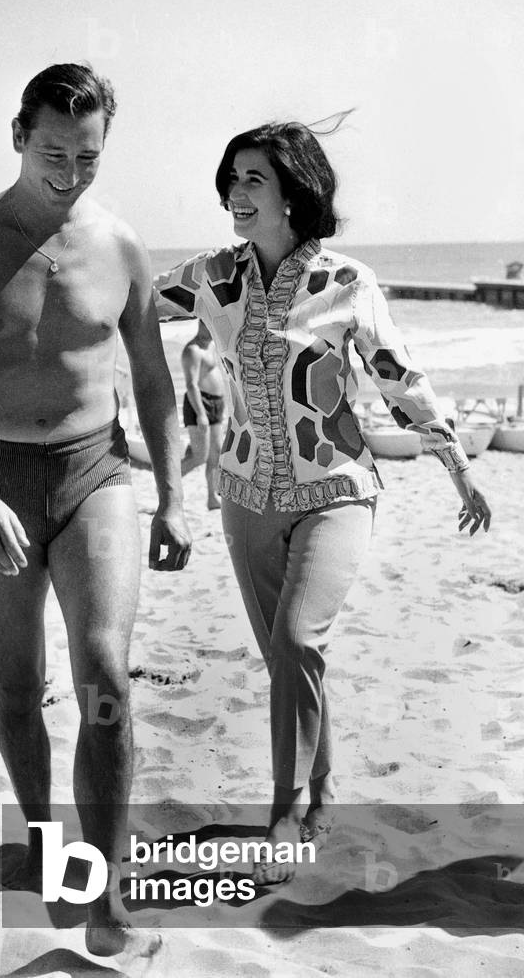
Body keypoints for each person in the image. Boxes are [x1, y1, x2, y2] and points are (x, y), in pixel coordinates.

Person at [153, 119, 491, 884]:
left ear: (292, 194)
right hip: (245, 493)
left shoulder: (345, 282)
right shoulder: (211, 276)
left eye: (253, 180)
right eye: (232, 177)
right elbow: (125, 300)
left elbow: (397, 375)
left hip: (337, 489)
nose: (235, 193)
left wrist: (456, 463)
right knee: (287, 658)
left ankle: (284, 811)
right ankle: (325, 791)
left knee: (299, 640)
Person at [0, 63, 191, 957]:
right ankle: (42, 838)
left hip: (94, 472)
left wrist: (177, 495)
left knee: (104, 671)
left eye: (89, 157)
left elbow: (153, 381)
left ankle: (107, 897)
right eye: (54, 153)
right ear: (19, 134)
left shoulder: (121, 247)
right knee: (16, 685)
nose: (70, 173)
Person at [180, 321, 225, 509]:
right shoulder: (193, 349)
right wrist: (201, 414)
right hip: (200, 404)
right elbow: (191, 384)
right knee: (200, 456)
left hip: (216, 403)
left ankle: (212, 497)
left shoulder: (213, 345)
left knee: (216, 452)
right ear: (202, 323)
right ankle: (167, 484)